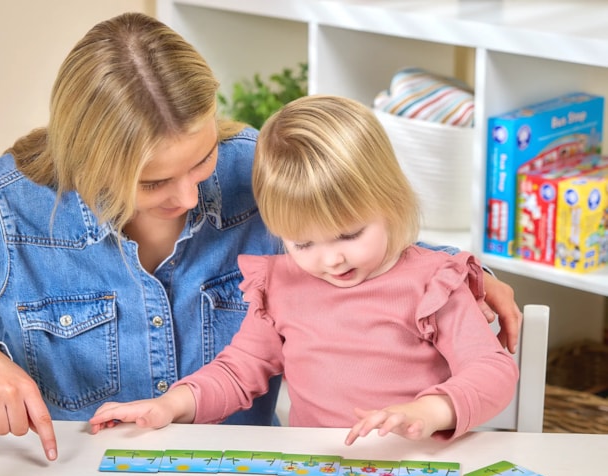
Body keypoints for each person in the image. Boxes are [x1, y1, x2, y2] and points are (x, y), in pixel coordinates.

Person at [0, 14, 519, 461]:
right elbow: (242, 367)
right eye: (152, 182)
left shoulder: (260, 170)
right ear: (88, 163)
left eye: (202, 159)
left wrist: (469, 276)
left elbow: (369, 227)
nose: (190, 198)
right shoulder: (3, 208)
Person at [90, 95, 519, 444]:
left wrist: (430, 410)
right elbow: (238, 371)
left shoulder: (434, 283)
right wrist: (172, 405)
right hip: (318, 470)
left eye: (350, 234)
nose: (331, 259)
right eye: (304, 243)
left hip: (422, 465)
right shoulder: (281, 286)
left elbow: (493, 371)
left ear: (391, 202)